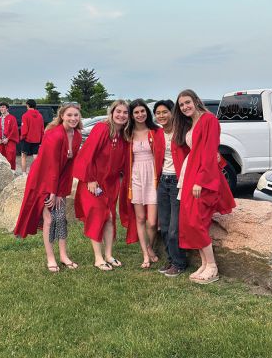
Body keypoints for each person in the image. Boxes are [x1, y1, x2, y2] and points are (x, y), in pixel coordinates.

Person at [172, 89, 235, 284]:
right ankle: (204, 264)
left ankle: (213, 266)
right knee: (190, 219)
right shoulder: (192, 123)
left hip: (203, 175)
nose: (185, 107)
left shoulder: (209, 120)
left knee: (197, 220)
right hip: (191, 172)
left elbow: (209, 152)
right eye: (181, 105)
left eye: (187, 102)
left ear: (196, 101)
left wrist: (200, 180)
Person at [14, 103, 82, 273]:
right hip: (42, 180)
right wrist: (52, 191)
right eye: (69, 115)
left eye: (76, 115)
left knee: (61, 218)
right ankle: (51, 257)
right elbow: (50, 165)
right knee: (49, 219)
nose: (73, 118)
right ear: (62, 116)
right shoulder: (54, 134)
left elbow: (68, 167)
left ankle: (64, 256)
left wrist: (61, 192)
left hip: (58, 182)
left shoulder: (77, 135)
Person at [73, 100, 129, 271]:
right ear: (111, 113)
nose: (121, 115)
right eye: (118, 111)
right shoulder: (102, 129)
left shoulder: (124, 135)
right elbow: (87, 153)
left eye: (125, 112)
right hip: (93, 181)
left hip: (111, 184)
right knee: (98, 216)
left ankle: (109, 255)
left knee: (111, 217)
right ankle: (98, 258)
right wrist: (89, 179)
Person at [120, 99, 164, 269]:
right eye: (136, 112)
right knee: (140, 218)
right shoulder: (127, 134)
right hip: (136, 178)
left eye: (142, 111)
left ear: (147, 112)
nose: (140, 115)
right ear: (132, 115)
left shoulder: (155, 132)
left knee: (152, 221)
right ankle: (145, 255)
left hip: (152, 177)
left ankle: (149, 246)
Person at [153, 100, 187, 277]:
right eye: (157, 113)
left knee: (174, 228)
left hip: (178, 183)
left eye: (164, 112)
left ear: (173, 112)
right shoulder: (158, 133)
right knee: (164, 226)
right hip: (162, 182)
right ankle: (173, 259)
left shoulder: (183, 131)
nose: (161, 115)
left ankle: (180, 263)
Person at [20, 99, 44, 175]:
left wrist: (22, 137)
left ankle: (24, 174)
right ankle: (36, 172)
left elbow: (24, 130)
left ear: (27, 105)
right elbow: (42, 129)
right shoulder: (40, 116)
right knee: (35, 156)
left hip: (27, 139)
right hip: (37, 139)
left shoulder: (25, 115)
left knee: (23, 156)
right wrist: (41, 139)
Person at [0, 102, 19, 171]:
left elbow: (14, 130)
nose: (1, 108)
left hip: (10, 141)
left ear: (7, 108)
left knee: (11, 158)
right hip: (1, 142)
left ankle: (12, 172)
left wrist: (8, 138)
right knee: (1, 158)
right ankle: (3, 174)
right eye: (1, 107)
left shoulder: (12, 118)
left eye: (3, 107)